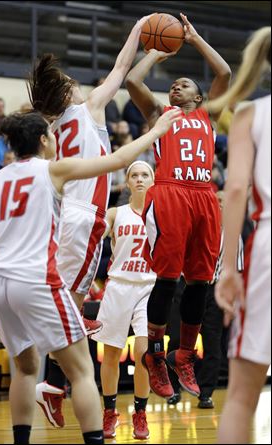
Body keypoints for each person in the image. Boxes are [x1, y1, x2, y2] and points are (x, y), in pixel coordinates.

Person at [0, 108, 181, 445]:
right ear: (43, 140)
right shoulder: (53, 169)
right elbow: (119, 159)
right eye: (52, 134)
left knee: (25, 369)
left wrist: (4, 276)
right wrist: (157, 129)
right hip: (34, 278)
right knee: (83, 371)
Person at [27, 14, 154, 427]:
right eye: (70, 82)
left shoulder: (58, 123)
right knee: (72, 304)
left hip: (81, 216)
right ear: (67, 94)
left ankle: (51, 383)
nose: (78, 84)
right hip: (82, 218)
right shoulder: (88, 108)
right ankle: (48, 385)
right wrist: (138, 30)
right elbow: (119, 68)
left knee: (73, 303)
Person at [125, 12, 231, 399]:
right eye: (173, 85)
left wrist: (195, 38)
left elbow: (226, 74)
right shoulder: (159, 114)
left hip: (204, 196)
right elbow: (133, 80)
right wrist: (154, 51)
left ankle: (184, 354)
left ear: (199, 97)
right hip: (169, 193)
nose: (175, 87)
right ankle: (156, 354)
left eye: (183, 85)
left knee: (201, 281)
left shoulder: (209, 115)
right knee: (168, 278)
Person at [206, 26, 271, 444]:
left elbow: (233, 190)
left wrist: (228, 267)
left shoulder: (251, 113)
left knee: (243, 396)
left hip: (267, 244)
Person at [91, 161, 156, 440]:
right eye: (135, 175)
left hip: (148, 288)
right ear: (127, 182)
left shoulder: (160, 214)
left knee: (145, 354)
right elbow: (93, 236)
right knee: (112, 354)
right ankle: (109, 411)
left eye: (145, 175)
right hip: (118, 286)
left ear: (153, 181)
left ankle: (140, 413)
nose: (140, 179)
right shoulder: (117, 213)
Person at [167, 191, 244, 409]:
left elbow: (236, 272)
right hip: (188, 287)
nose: (219, 205)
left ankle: (206, 393)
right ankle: (173, 389)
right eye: (216, 201)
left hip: (215, 291)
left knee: (213, 344)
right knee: (175, 340)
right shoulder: (193, 226)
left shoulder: (233, 234)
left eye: (223, 202)